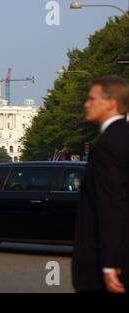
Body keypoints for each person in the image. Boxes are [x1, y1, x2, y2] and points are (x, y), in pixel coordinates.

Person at [72, 76, 129, 293]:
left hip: (107, 265)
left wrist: (109, 264)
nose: (86, 104)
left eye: (92, 99)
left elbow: (111, 205)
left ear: (110, 103)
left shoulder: (107, 146)